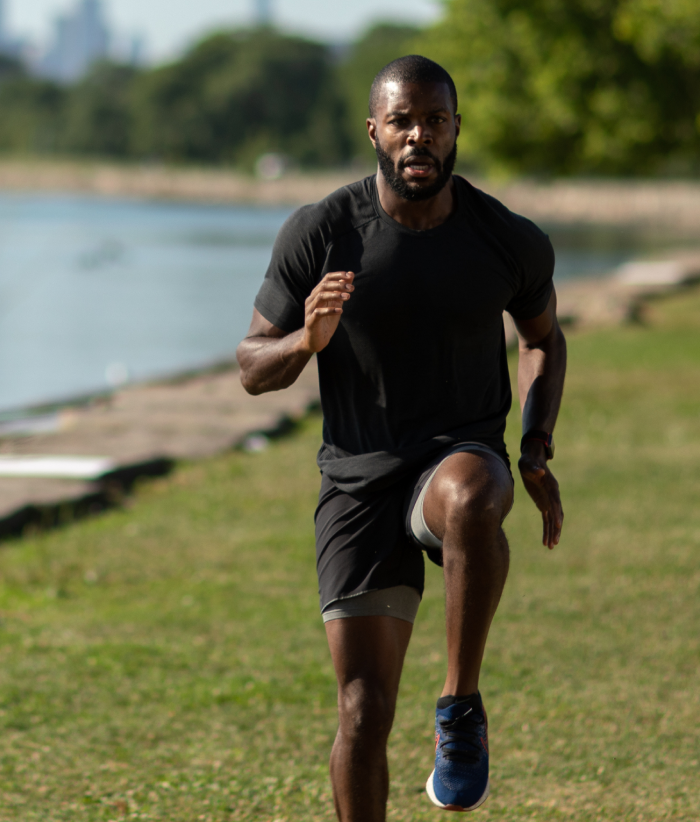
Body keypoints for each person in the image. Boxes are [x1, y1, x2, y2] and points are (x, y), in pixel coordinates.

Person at [236, 55, 566, 819]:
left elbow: (544, 338)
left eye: (436, 120)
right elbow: (253, 367)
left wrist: (536, 445)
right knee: (361, 711)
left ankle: (459, 709)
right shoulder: (320, 233)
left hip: (456, 459)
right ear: (374, 131)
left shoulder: (505, 238)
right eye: (403, 121)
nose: (420, 136)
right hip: (357, 479)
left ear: (456, 129)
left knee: (476, 491)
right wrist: (305, 343)